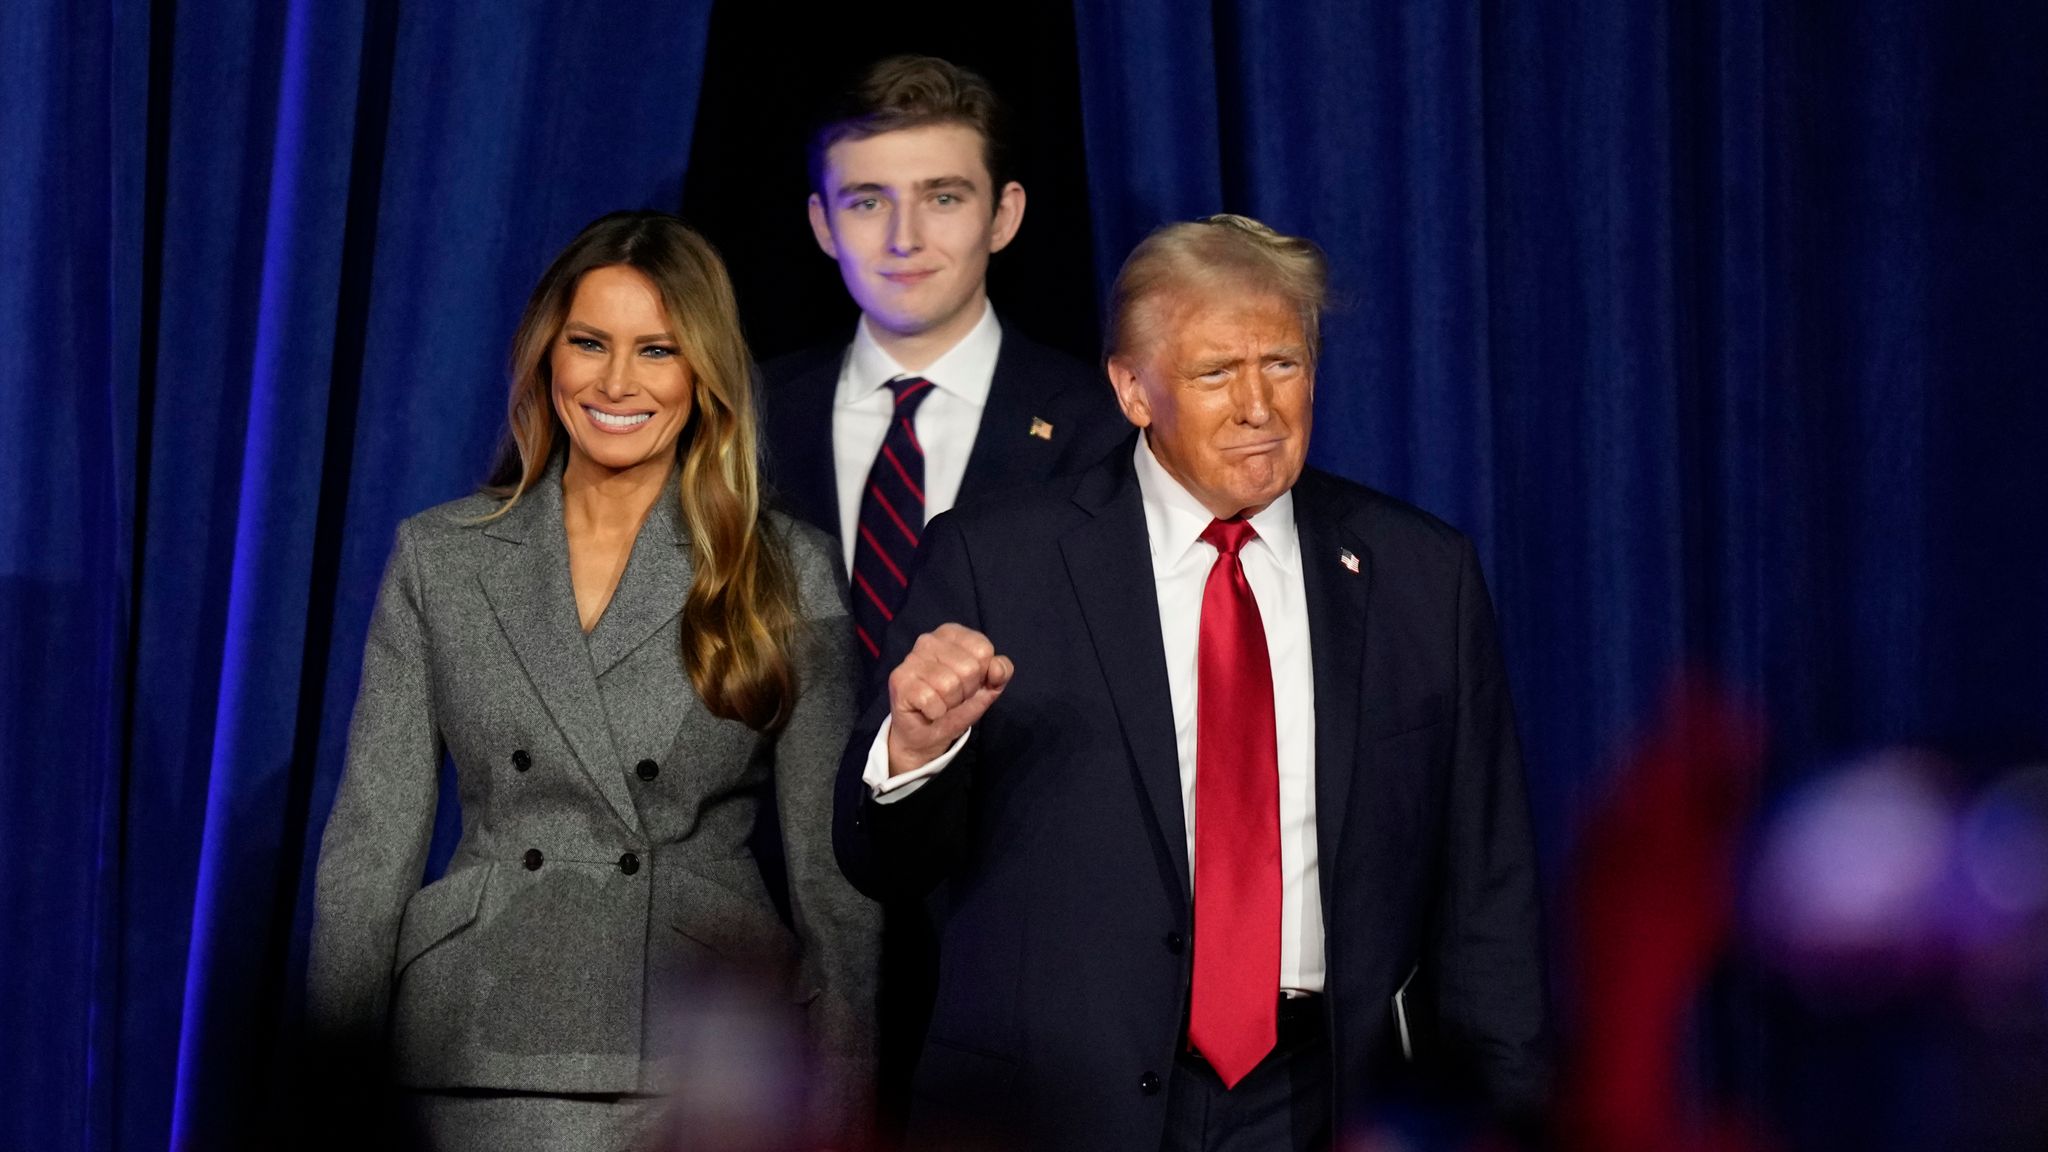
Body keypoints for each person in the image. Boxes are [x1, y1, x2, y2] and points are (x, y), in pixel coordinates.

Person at [833, 215, 1552, 1150]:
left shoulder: (1422, 576)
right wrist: (917, 750)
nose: (1260, 406)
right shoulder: (996, 560)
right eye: (1217, 373)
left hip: (1321, 1103)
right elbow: (880, 863)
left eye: (1284, 365)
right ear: (1134, 389)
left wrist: (1506, 1122)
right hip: (1059, 1111)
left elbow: (1487, 897)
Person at [308, 211, 878, 1151]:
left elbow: (835, 885)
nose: (618, 382)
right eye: (590, 344)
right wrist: (329, 1095)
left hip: (696, 1049)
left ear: (703, 376)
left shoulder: (783, 568)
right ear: (547, 356)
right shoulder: (442, 557)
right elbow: (370, 848)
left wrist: (841, 1108)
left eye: (657, 350)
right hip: (470, 1043)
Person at [760, 54, 1126, 664]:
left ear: (1002, 216)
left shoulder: (1098, 426)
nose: (905, 238)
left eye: (944, 198)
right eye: (868, 203)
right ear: (823, 224)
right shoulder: (749, 415)